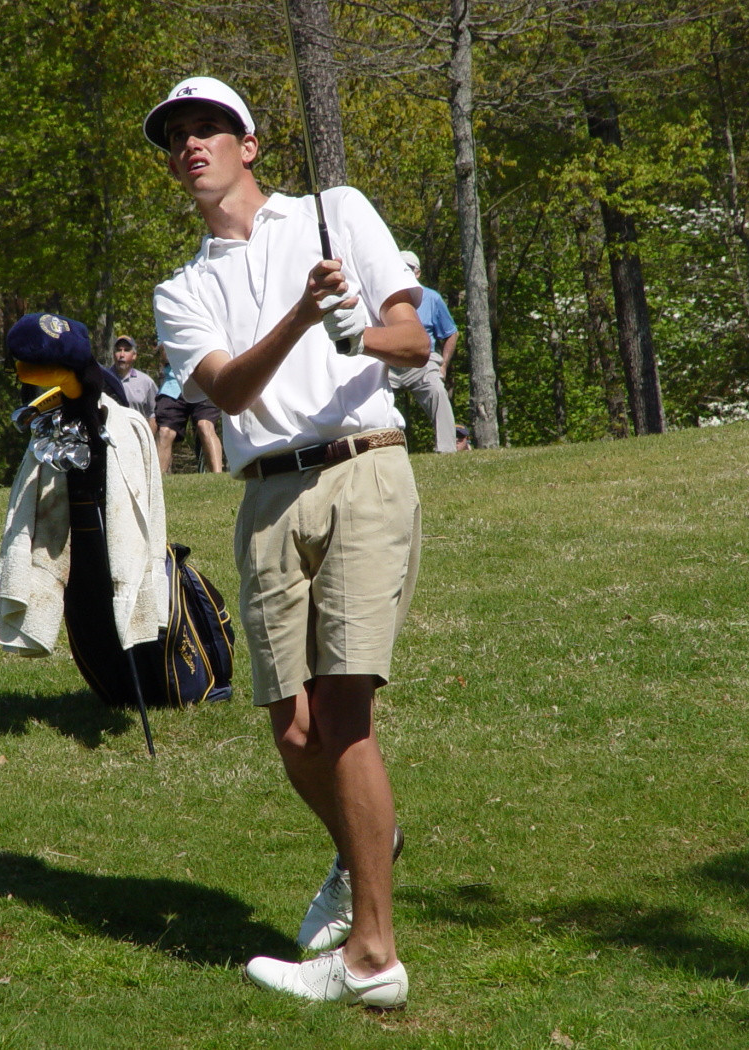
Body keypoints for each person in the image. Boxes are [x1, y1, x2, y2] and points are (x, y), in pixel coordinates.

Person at [146, 76, 429, 1009]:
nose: (193, 145)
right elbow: (225, 392)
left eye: (210, 129)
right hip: (267, 497)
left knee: (346, 717)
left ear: (249, 143)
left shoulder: (332, 213)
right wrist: (306, 317)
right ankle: (367, 847)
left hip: (362, 469)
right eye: (177, 136)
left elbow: (415, 340)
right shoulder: (181, 288)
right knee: (295, 731)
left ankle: (371, 959)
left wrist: (365, 337)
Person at [389, 250, 459, 453]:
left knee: (437, 391)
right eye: (400, 267)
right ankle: (382, 450)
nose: (404, 271)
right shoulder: (385, 297)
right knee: (367, 394)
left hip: (423, 361)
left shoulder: (432, 298)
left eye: (408, 268)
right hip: (391, 362)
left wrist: (443, 365)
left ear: (417, 272)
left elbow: (451, 333)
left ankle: (446, 449)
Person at [154, 345, 224, 473]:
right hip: (173, 385)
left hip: (204, 382)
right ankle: (158, 483)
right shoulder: (169, 325)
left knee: (204, 426)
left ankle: (217, 476)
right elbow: (164, 356)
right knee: (165, 432)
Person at [112, 334, 158, 431]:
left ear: (134, 355)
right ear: (113, 354)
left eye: (127, 350)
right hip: (110, 438)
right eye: (118, 350)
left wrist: (148, 443)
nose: (122, 355)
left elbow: (152, 415)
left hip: (136, 437)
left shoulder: (146, 382)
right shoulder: (104, 379)